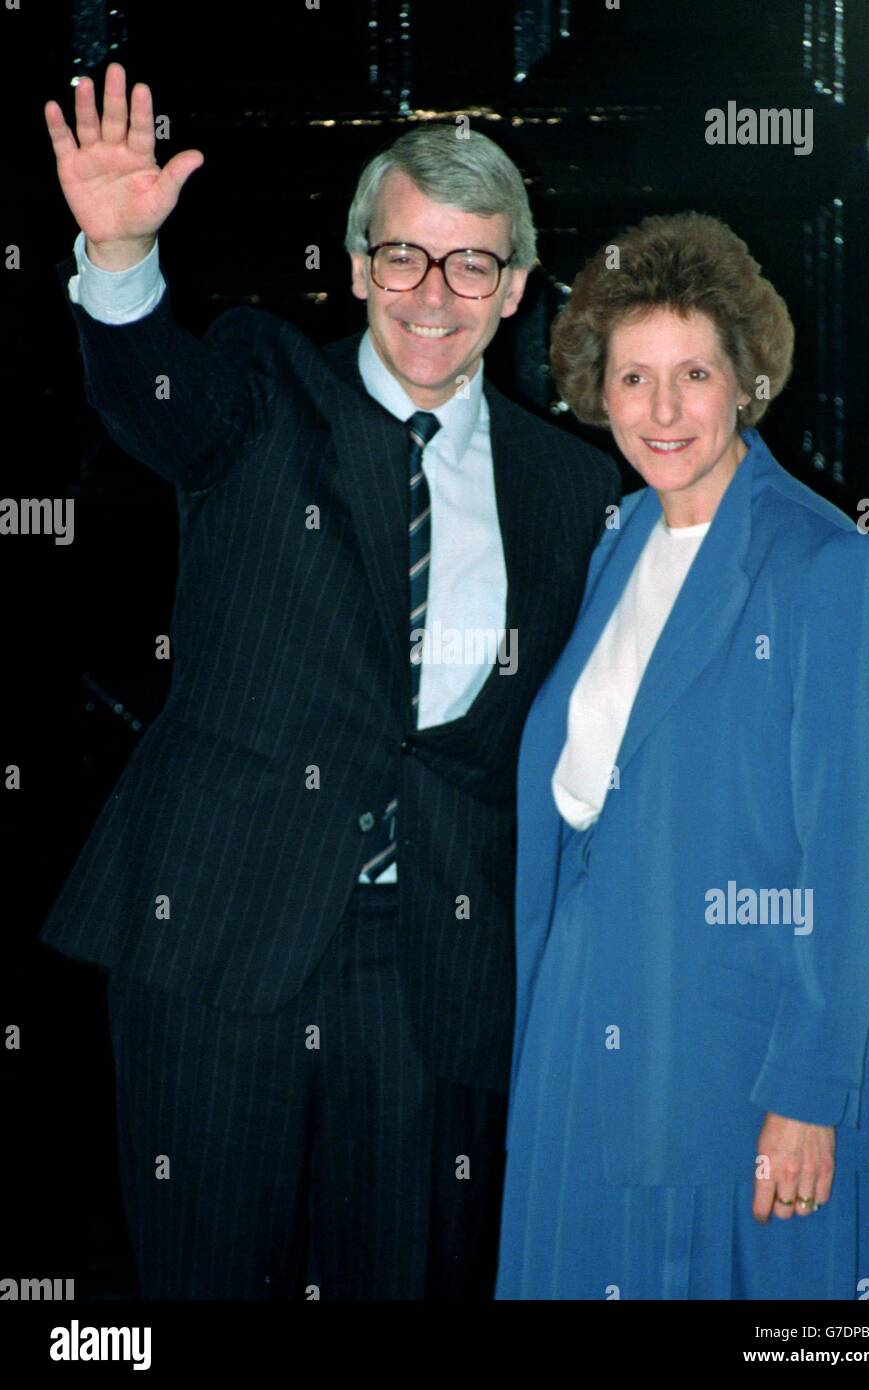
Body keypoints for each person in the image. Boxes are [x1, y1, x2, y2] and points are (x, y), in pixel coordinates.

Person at [39, 62, 619, 1300]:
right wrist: (120, 259)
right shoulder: (257, 390)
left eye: (472, 265)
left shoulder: (572, 489)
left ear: (513, 289)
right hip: (219, 944)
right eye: (403, 256)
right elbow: (155, 402)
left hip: (434, 970)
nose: (433, 294)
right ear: (358, 265)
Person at [494, 211, 869, 1300]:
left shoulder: (823, 561)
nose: (662, 409)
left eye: (692, 373)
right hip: (580, 1030)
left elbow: (845, 858)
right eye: (633, 378)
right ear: (598, 390)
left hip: (731, 1056)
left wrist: (815, 1089)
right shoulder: (617, 541)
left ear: (746, 381)